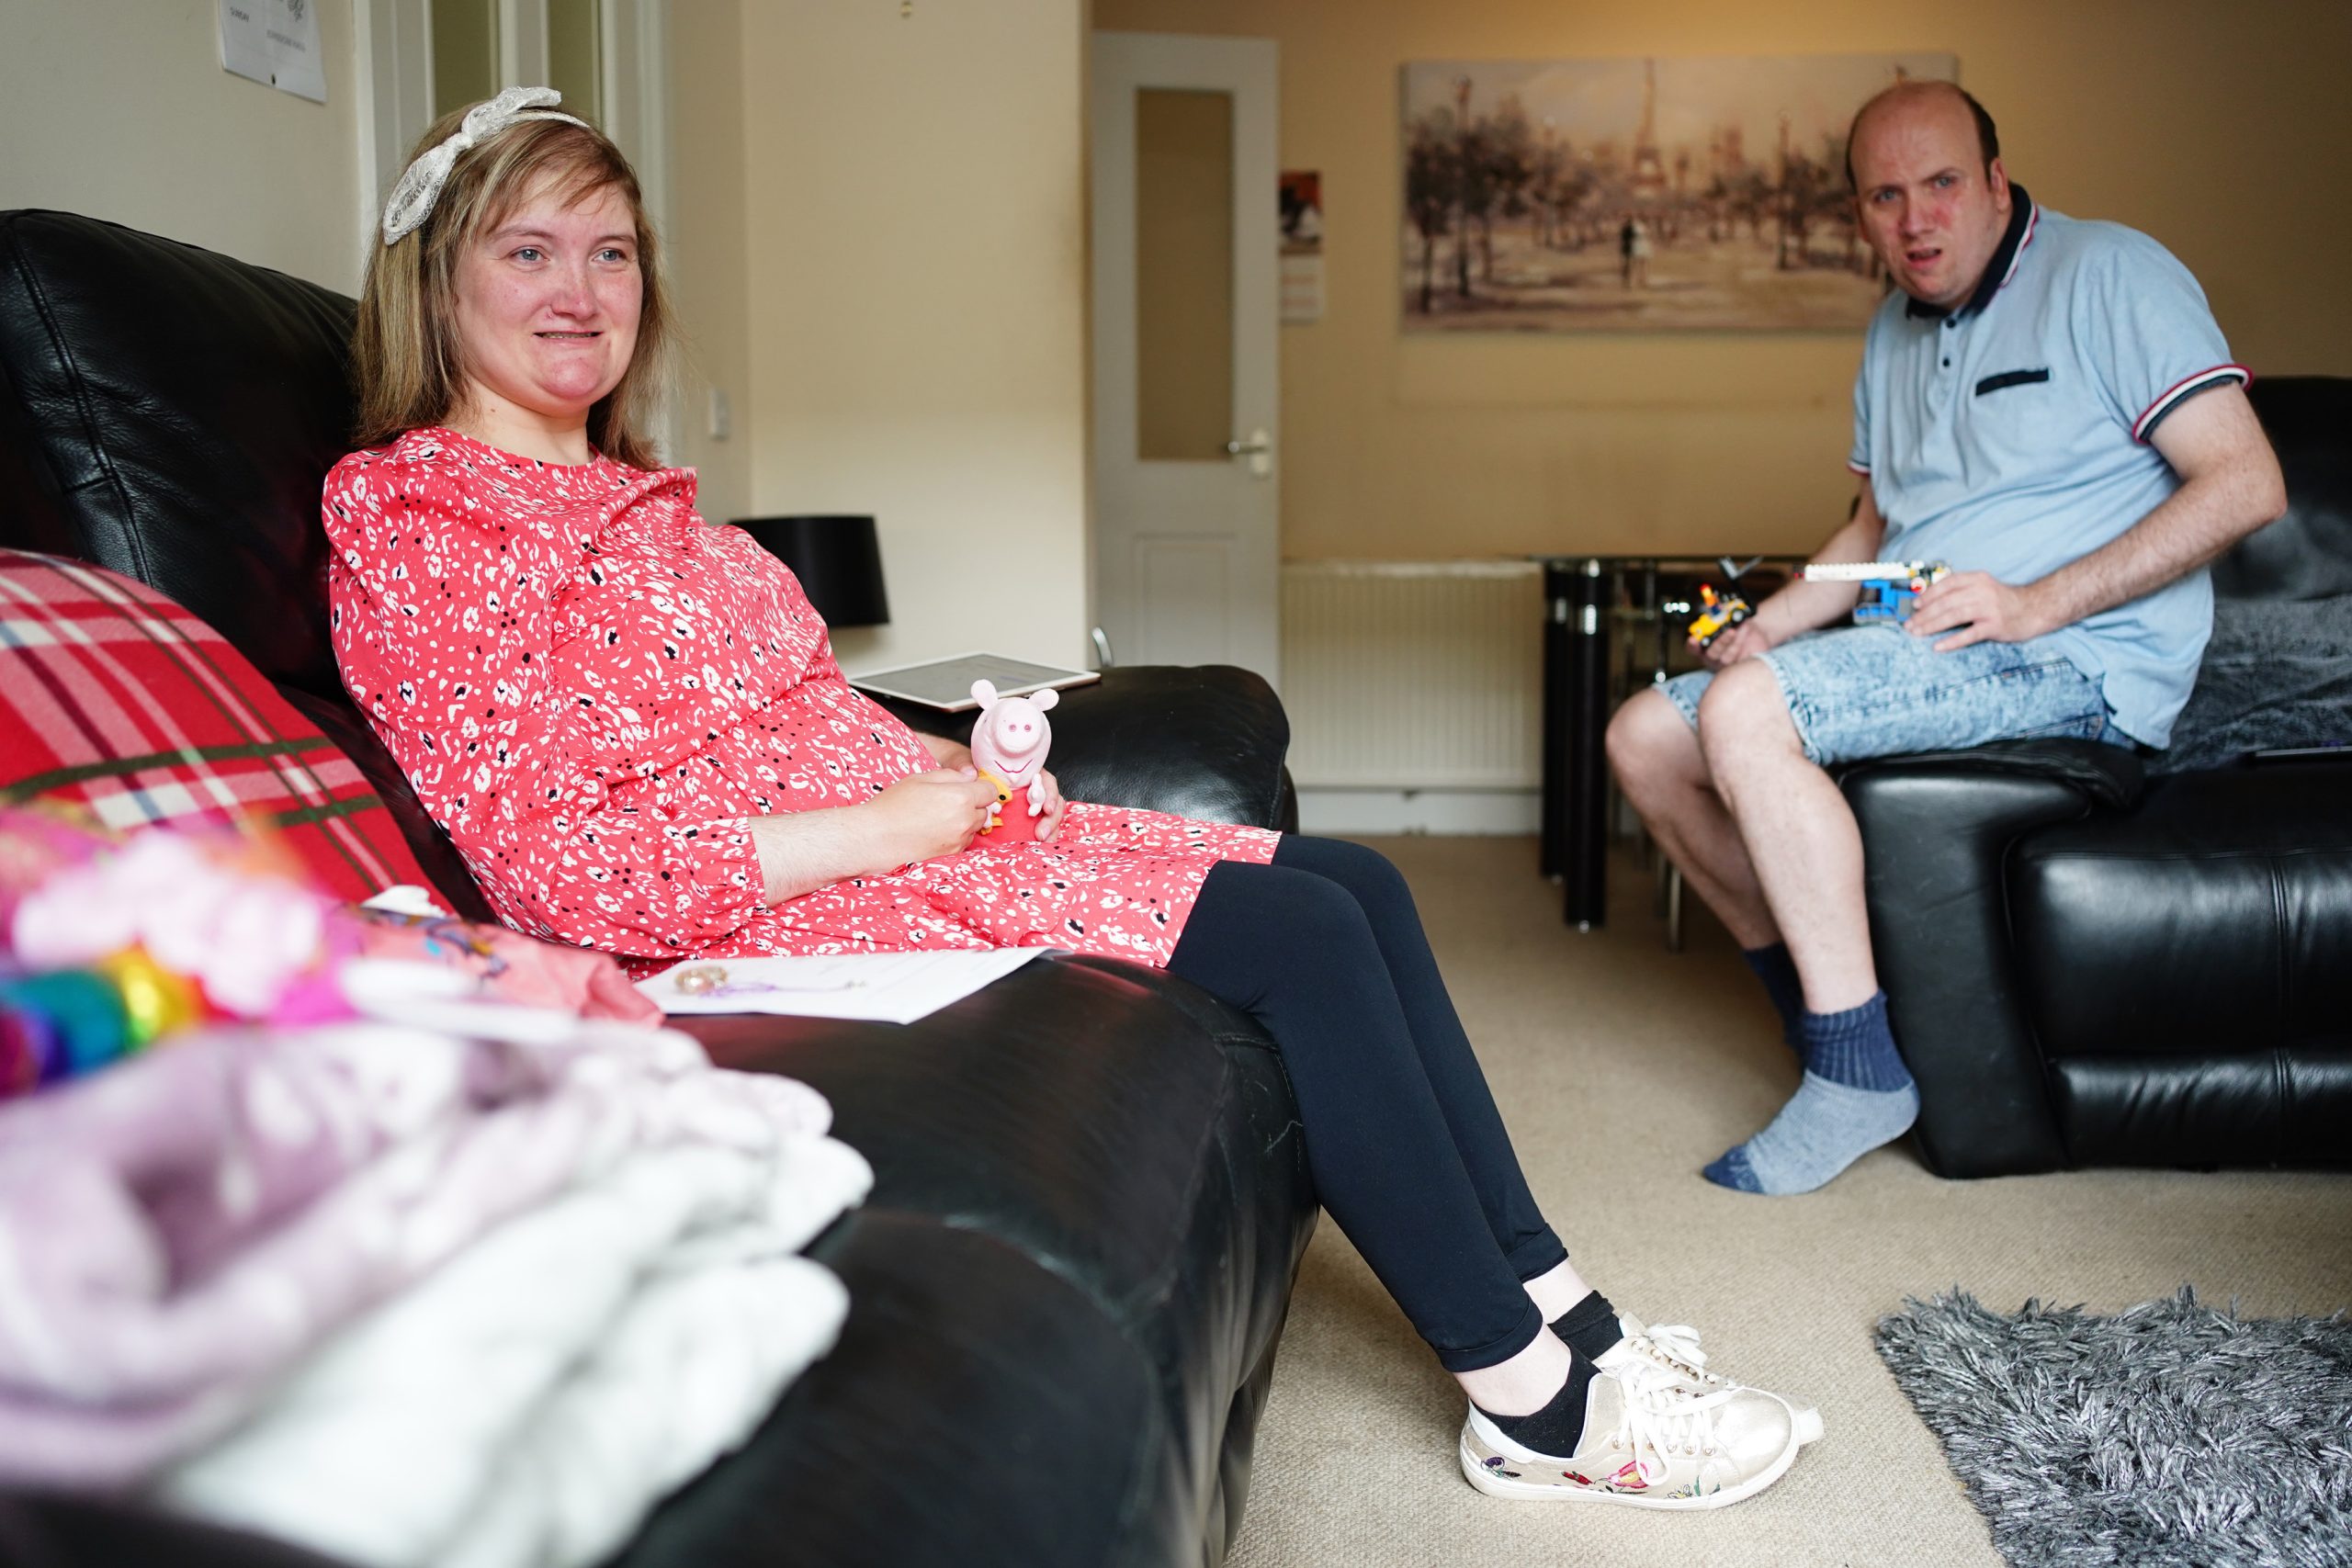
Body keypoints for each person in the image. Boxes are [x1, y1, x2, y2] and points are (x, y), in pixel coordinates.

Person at [326, 89, 1821, 1508]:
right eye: (527, 251)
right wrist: (883, 828)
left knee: (1354, 880)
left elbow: (800, 708)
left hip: (891, 840)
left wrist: (946, 765)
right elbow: (550, 869)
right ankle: (1538, 1409)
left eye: (610, 252)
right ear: (437, 282)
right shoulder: (414, 520)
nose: (579, 290)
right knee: (1296, 941)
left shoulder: (654, 503)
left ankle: (1568, 1309)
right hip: (741, 914)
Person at [1606, 81, 2287, 1197]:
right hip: (1921, 635)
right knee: (1645, 735)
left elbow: (2246, 483)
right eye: (1885, 196)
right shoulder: (1888, 327)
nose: (1916, 219)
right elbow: (1876, 525)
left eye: (1940, 185)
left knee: (1746, 714)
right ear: (1860, 215)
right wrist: (1771, 620)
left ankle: (1853, 1077)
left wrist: (2039, 601)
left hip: (2074, 656)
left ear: (1994, 184)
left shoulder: (2110, 274)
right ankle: (1837, 1035)